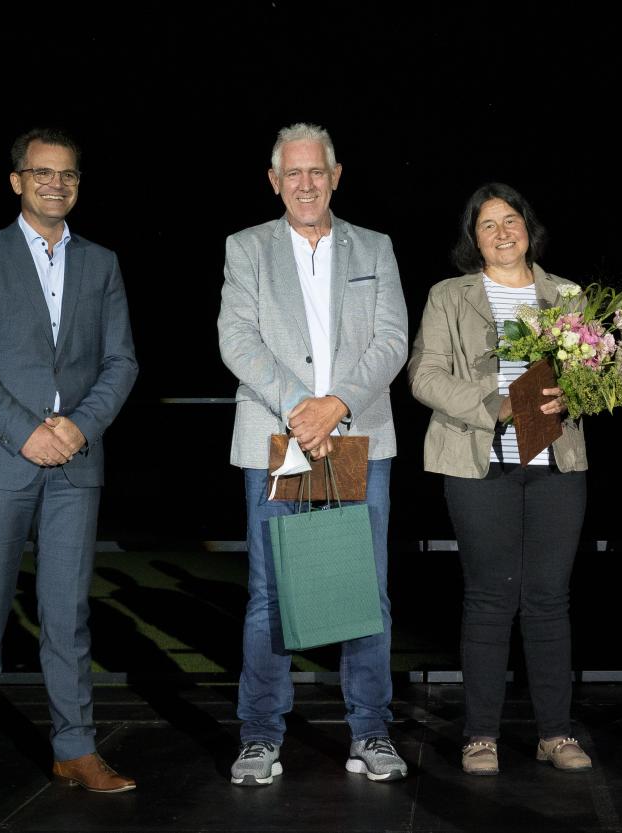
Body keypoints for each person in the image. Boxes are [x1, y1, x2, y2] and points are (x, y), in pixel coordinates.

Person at [0, 127, 139, 805]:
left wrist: (77, 428)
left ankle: (75, 749)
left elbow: (122, 362)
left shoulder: (103, 263)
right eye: (42, 172)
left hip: (75, 465)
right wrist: (27, 431)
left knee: (67, 614)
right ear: (17, 180)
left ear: (78, 184)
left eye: (69, 175)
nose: (57, 183)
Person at [218, 123, 409, 785]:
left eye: (316, 172)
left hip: (359, 436)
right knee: (270, 594)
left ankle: (372, 730)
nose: (305, 183)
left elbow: (392, 341)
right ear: (275, 181)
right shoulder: (245, 248)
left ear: (336, 175)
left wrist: (338, 406)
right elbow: (237, 340)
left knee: (366, 590)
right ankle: (260, 735)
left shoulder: (375, 247)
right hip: (277, 438)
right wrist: (304, 408)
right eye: (292, 173)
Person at [408, 183, 591, 776]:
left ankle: (555, 734)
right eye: (488, 224)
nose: (502, 232)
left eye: (511, 220)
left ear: (528, 228)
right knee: (489, 599)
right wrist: (495, 405)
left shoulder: (565, 294)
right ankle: (480, 735)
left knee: (548, 600)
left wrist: (581, 390)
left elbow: (597, 376)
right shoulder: (448, 295)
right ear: (473, 238)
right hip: (479, 465)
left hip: (555, 467)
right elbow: (424, 376)